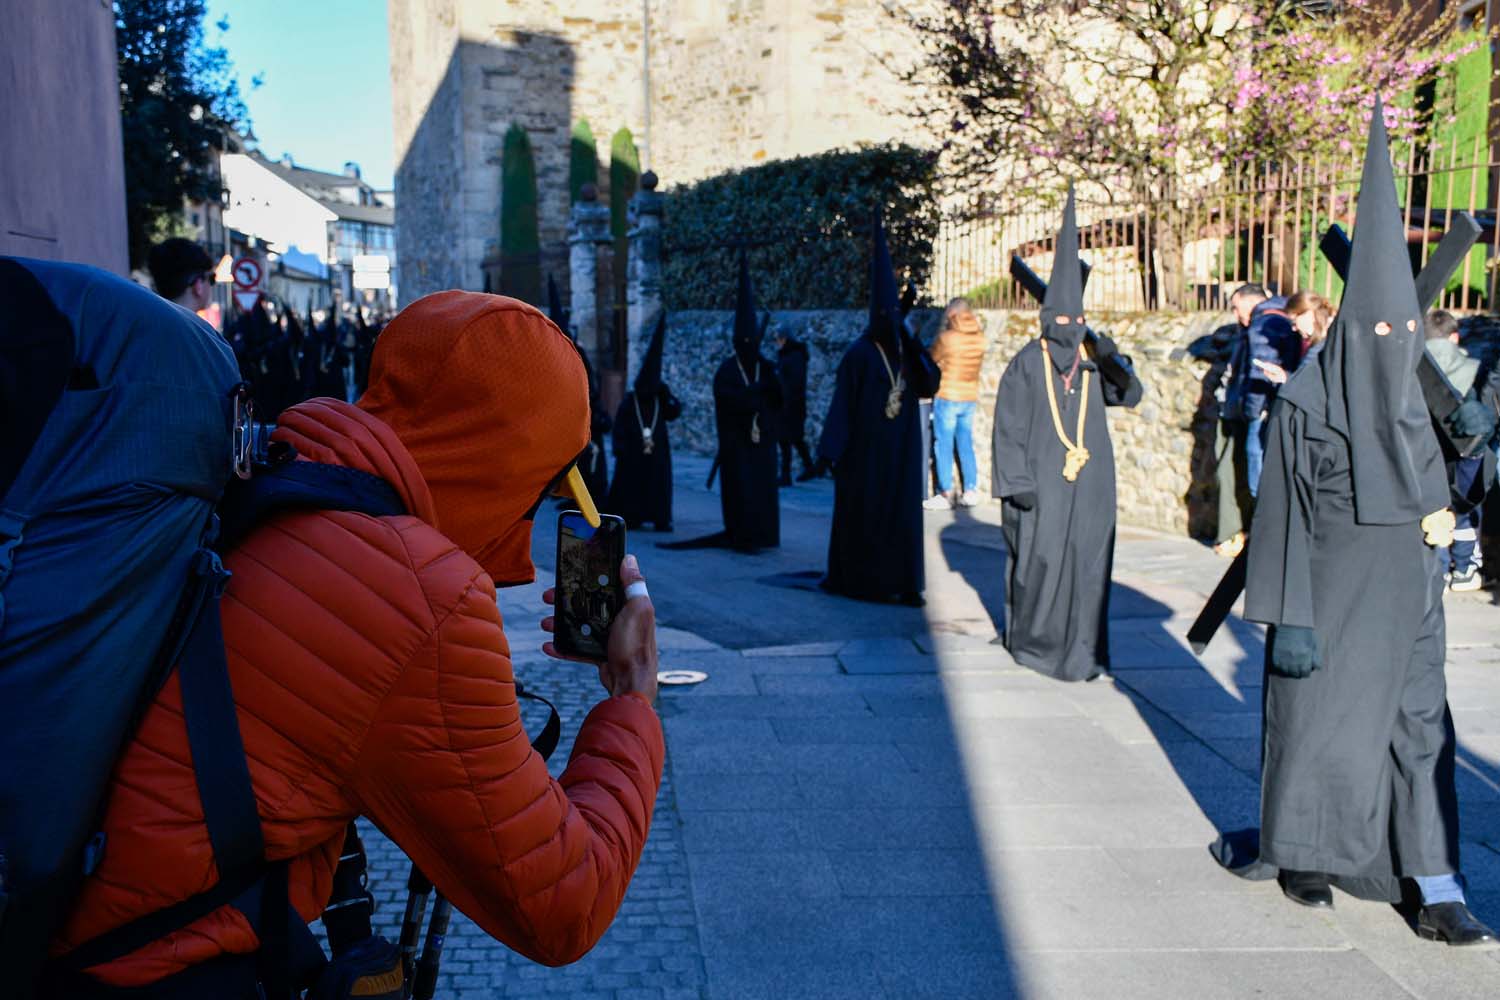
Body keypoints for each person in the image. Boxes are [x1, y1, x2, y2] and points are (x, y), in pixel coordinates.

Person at [49, 291, 669, 991]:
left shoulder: (279, 468)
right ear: (509, 467)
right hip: (147, 971)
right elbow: (563, 905)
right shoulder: (423, 599)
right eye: (547, 483)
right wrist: (632, 699)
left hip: (69, 921)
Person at [1220, 105, 1493, 945]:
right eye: (1380, 330)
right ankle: (1303, 850)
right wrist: (1288, 616)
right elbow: (1284, 516)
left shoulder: (1420, 392)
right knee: (1318, 722)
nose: (1390, 343)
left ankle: (1435, 880)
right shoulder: (1303, 404)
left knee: (1419, 729)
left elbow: (1466, 446)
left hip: (1414, 591)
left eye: (1403, 333)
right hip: (1329, 592)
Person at [990, 189, 1142, 681]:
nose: (1069, 329)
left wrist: (1113, 359)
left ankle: (1084, 653)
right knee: (1043, 562)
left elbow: (1130, 395)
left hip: (1091, 488)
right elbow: (1008, 428)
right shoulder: (1025, 366)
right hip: (1041, 486)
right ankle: (1035, 646)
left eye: (1077, 322)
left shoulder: (1092, 365)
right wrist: (1017, 484)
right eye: (1062, 321)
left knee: (1087, 566)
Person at [819, 216, 942, 605]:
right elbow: (843, 404)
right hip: (867, 455)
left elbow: (930, 384)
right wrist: (831, 451)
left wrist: (909, 336)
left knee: (902, 519)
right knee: (867, 517)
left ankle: (905, 582)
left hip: (902, 453)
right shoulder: (859, 353)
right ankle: (865, 581)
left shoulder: (907, 352)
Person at [709, 255, 783, 551]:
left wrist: (769, 383)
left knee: (763, 491)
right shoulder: (727, 372)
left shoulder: (763, 366)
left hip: (762, 443)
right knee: (742, 491)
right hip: (737, 444)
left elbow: (779, 398)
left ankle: (765, 534)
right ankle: (743, 536)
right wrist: (753, 392)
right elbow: (728, 403)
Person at [1424, 309, 1496, 592]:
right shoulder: (1474, 367)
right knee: (1466, 508)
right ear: (1454, 336)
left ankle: (1438, 567)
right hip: (1468, 446)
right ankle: (1464, 569)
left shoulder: (1414, 366)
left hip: (1429, 448)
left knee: (1434, 506)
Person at [1222, 282, 1299, 506]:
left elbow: (1260, 372)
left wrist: (1250, 411)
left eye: (1236, 307)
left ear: (1249, 301)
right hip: (1283, 404)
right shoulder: (1282, 315)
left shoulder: (1262, 323)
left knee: (1259, 479)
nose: (1236, 315)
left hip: (1265, 408)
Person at [608, 313, 680, 531]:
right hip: (634, 453)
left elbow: (674, 412)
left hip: (656, 453)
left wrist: (669, 396)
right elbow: (619, 426)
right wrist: (619, 447)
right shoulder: (630, 403)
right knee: (635, 485)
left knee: (658, 485)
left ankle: (660, 517)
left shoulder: (659, 399)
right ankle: (635, 516)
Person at [924, 298, 987, 510]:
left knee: (944, 444)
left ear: (952, 315)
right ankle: (970, 490)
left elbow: (932, 358)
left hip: (948, 394)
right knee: (965, 443)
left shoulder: (947, 338)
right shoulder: (980, 338)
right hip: (969, 396)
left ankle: (945, 492)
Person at [1258, 290, 1333, 388]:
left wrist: (1286, 378)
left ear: (1308, 314)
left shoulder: (1324, 344)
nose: (1294, 328)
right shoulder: (1320, 341)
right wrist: (1284, 377)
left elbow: (1310, 385)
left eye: (1294, 322)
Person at [774, 322, 815, 485]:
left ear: (784, 338)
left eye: (777, 338)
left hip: (791, 404)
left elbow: (794, 383)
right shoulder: (788, 355)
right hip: (788, 403)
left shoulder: (794, 356)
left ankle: (786, 475)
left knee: (786, 439)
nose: (776, 341)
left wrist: (786, 401)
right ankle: (809, 467)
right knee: (795, 438)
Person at [147, 238, 216, 314]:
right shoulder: (197, 325)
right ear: (198, 285)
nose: (211, 286)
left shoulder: (143, 321)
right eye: (212, 279)